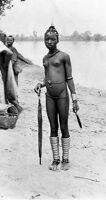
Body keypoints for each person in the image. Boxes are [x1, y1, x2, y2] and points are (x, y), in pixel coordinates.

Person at [34, 25, 79, 171]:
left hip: (62, 96)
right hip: (49, 96)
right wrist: (41, 84)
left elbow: (69, 78)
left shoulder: (64, 56)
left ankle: (65, 160)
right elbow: (48, 77)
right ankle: (55, 159)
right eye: (46, 39)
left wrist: (75, 99)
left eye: (52, 39)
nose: (49, 42)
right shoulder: (45, 58)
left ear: (57, 40)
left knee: (64, 126)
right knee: (53, 127)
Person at [0, 33, 22, 113]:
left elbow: (13, 58)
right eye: (8, 40)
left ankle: (15, 107)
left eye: (11, 40)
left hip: (10, 71)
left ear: (13, 41)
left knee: (11, 89)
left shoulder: (13, 49)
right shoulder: (5, 47)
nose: (9, 41)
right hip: (7, 70)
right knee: (8, 90)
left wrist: (6, 65)